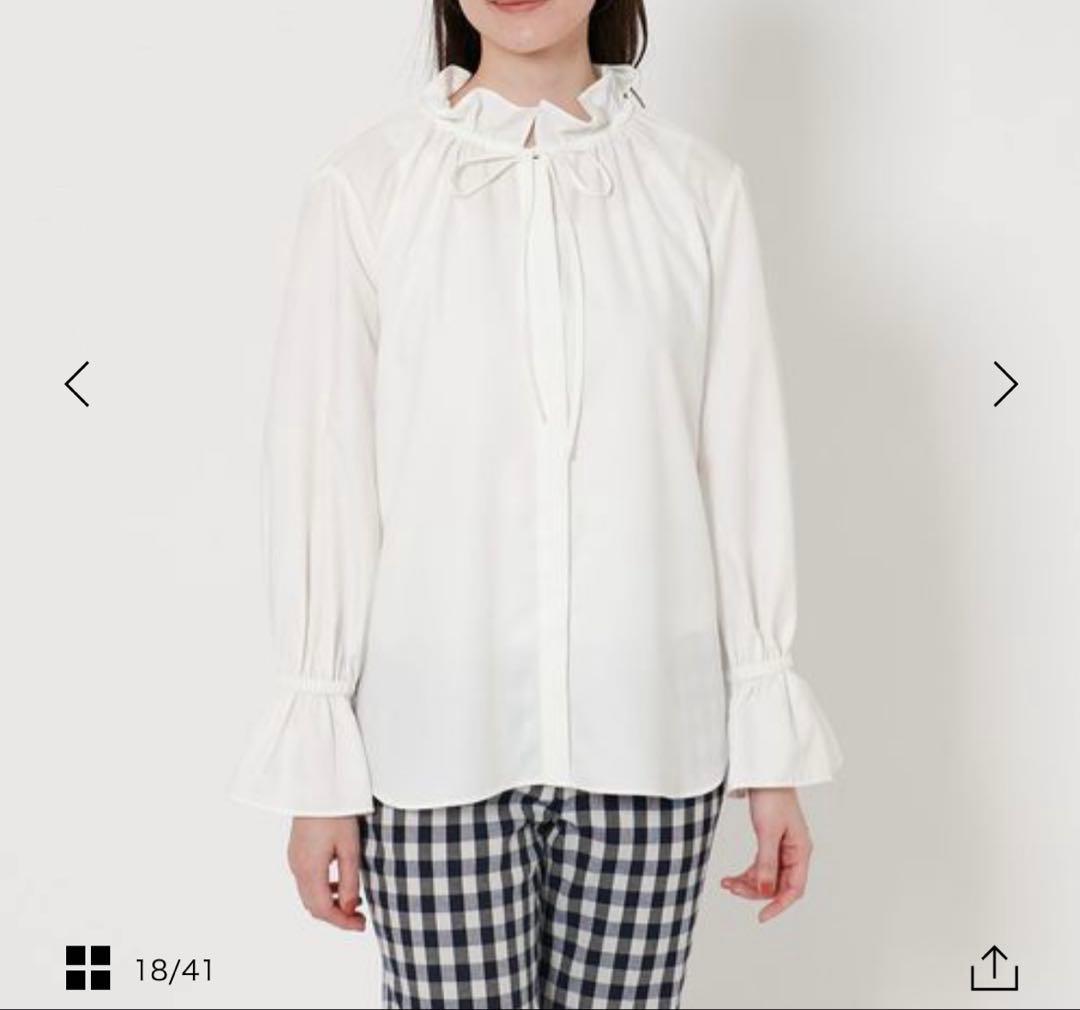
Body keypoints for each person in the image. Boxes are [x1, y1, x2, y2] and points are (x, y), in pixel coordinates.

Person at [229, 1, 843, 1006]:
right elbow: (324, 477)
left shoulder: (697, 191)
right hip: (431, 748)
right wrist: (320, 767)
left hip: (651, 743)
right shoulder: (367, 189)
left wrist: (770, 755)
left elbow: (740, 473)